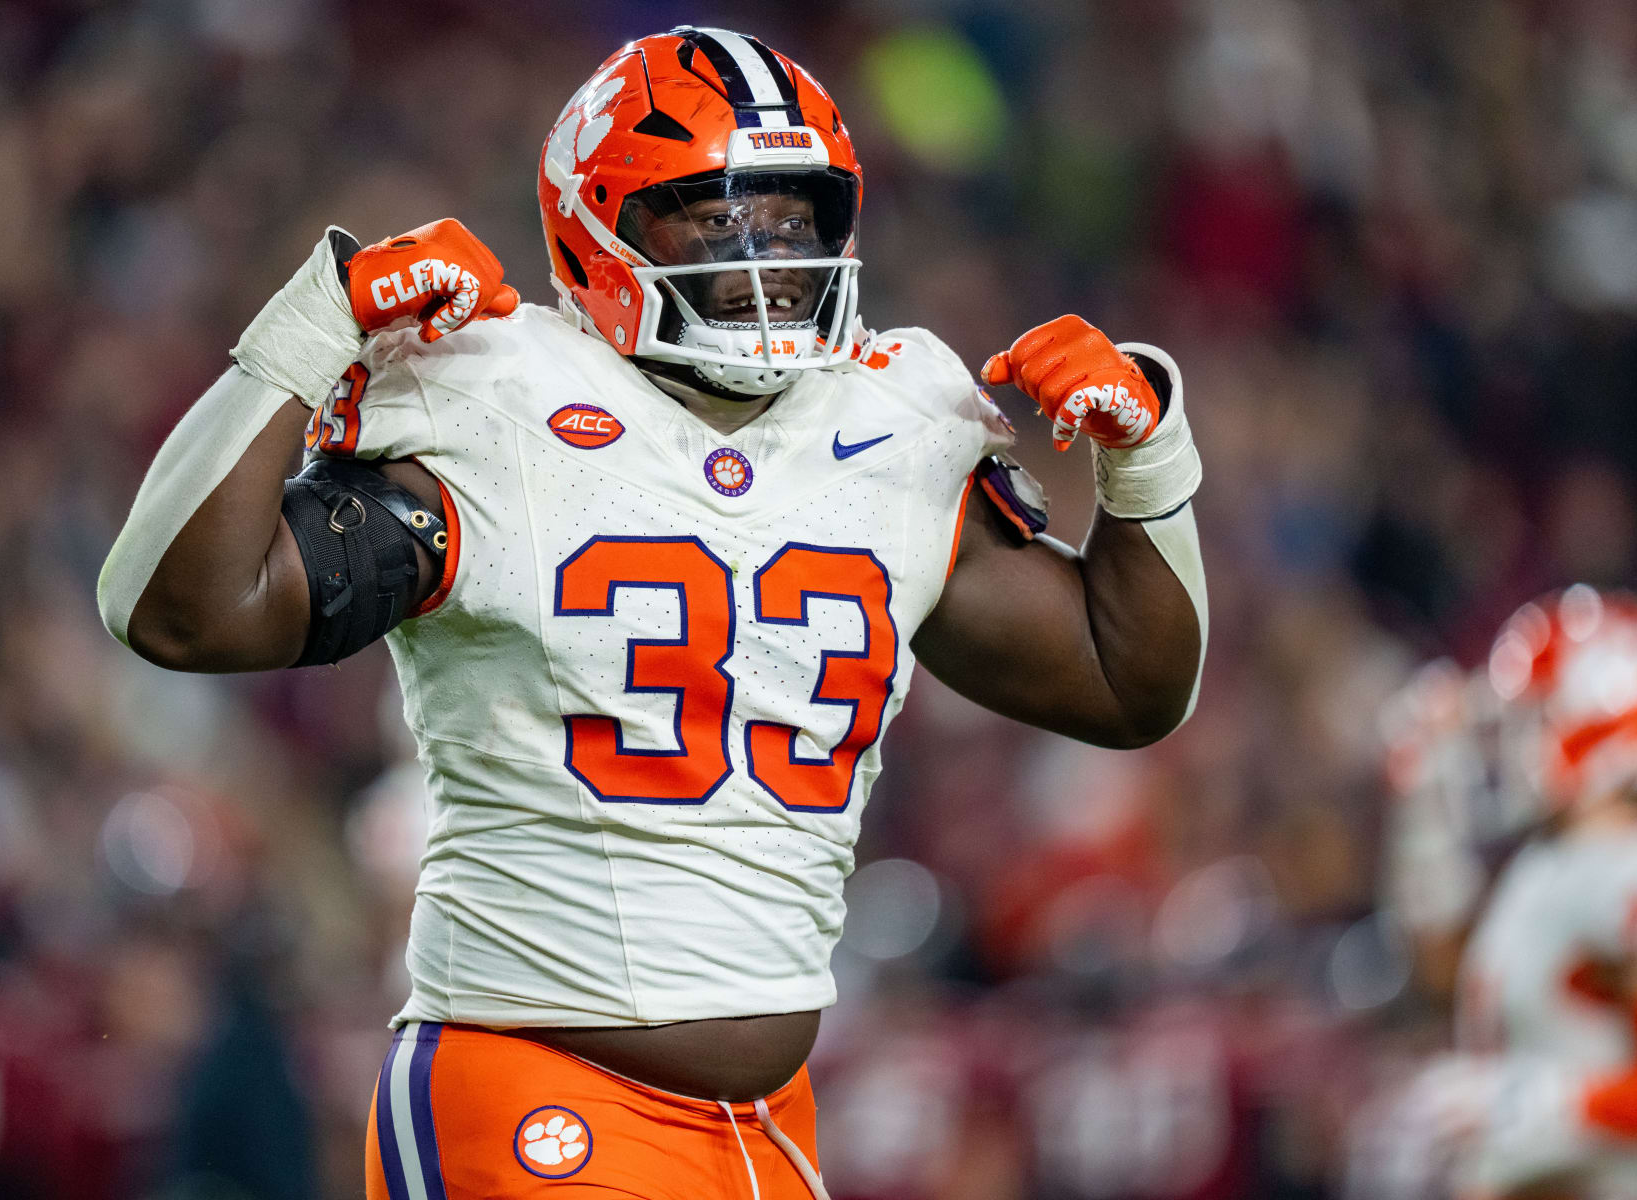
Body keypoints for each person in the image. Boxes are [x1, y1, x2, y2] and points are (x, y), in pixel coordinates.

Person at [96, 26, 1207, 1200]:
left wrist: (1147, 466)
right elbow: (178, 609)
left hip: (766, 1130)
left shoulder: (895, 423)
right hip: (530, 1097)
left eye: (792, 217)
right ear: (604, 221)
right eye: (717, 217)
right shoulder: (493, 397)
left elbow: (1125, 682)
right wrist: (312, 326)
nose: (768, 255)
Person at [1361, 587, 1637, 1200]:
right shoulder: (1549, 865)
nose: (1511, 743)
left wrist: (1554, 1106)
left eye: (1534, 717)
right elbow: (1442, 972)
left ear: (1603, 719)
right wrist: (1423, 826)